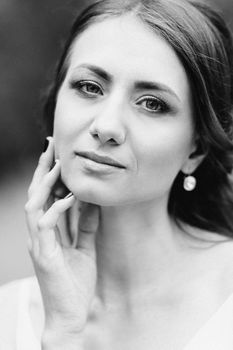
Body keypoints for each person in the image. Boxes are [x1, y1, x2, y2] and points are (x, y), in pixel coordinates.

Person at [1, 0, 233, 348]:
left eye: (153, 104)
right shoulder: (8, 316)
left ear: (196, 149)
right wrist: (64, 332)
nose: (106, 126)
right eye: (89, 87)